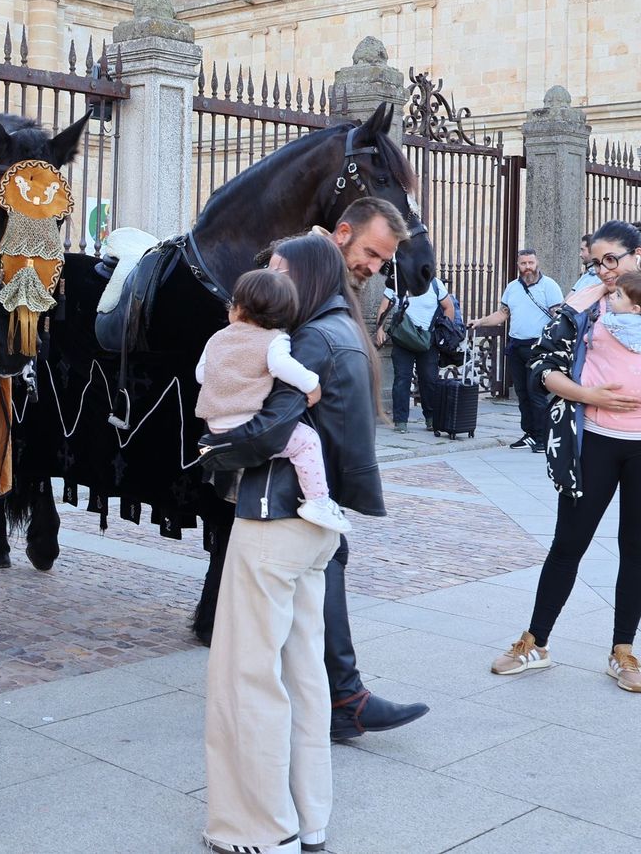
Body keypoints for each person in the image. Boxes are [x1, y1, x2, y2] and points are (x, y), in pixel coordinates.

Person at [197, 234, 384, 854]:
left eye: (278, 269)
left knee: (247, 678)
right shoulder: (344, 332)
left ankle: (259, 828)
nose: (268, 278)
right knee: (302, 673)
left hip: (273, 520)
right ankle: (310, 819)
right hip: (313, 527)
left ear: (302, 275)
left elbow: (269, 427)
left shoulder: (299, 342)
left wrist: (212, 451)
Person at [490, 221, 641, 694]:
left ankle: (623, 651)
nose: (604, 270)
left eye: (611, 259)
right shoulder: (581, 308)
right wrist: (587, 392)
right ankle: (535, 642)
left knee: (637, 547)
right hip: (592, 441)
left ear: (638, 254)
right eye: (596, 262)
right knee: (568, 543)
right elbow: (544, 371)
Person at [253, 195, 431, 739]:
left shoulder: (330, 301)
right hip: (289, 481)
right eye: (373, 254)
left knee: (324, 568)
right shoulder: (310, 302)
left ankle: (339, 696)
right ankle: (338, 699)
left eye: (383, 262)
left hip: (310, 476)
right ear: (342, 233)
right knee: (310, 575)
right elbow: (277, 404)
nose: (375, 268)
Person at [196, 267, 351, 533]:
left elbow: (201, 374)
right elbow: (283, 367)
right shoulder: (274, 339)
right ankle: (318, 501)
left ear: (238, 308)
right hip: (246, 426)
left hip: (215, 426)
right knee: (307, 441)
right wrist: (312, 385)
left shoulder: (216, 339)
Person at [469, 248, 564, 453]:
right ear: (518, 265)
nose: (527, 267)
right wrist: (481, 321)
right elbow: (502, 314)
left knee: (536, 393)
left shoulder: (550, 286)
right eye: (523, 263)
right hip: (516, 346)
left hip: (538, 348)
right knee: (522, 393)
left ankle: (541, 437)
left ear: (537, 263)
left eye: (531, 263)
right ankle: (529, 433)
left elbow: (558, 316)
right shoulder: (512, 287)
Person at [375, 273, 455, 433]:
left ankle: (431, 419)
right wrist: (379, 329)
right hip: (403, 339)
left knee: (429, 380)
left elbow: (449, 307)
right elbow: (383, 307)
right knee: (401, 380)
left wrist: (444, 331)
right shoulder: (397, 283)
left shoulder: (435, 284)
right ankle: (401, 421)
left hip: (428, 341)